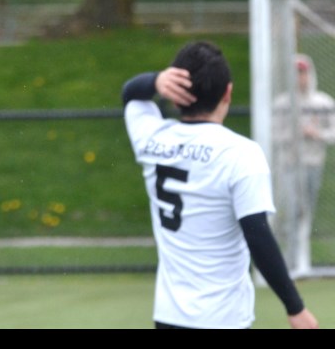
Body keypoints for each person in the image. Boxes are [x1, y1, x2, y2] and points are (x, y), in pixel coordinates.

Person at [121, 40, 318, 329]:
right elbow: (257, 236)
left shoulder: (152, 138)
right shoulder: (240, 153)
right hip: (222, 318)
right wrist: (295, 307)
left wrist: (155, 80)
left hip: (168, 316)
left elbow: (131, 95)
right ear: (228, 92)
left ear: (175, 97)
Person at [271, 53, 335, 275]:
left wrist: (316, 133)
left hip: (312, 163)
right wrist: (294, 133)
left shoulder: (323, 102)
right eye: (296, 73)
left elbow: (332, 132)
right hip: (288, 165)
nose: (301, 78)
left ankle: (303, 261)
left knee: (307, 211)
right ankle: (290, 262)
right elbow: (273, 135)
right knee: (290, 210)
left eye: (303, 72)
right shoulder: (281, 103)